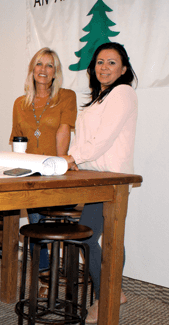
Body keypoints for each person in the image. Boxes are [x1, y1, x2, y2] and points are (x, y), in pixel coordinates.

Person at [62, 42, 137, 324]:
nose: (104, 67)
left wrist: (72, 157)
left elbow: (103, 139)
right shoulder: (99, 98)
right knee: (109, 235)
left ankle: (107, 294)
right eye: (100, 62)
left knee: (91, 236)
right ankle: (114, 290)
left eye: (112, 62)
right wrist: (75, 162)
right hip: (94, 177)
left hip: (111, 179)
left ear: (124, 69)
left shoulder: (122, 93)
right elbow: (86, 141)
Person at [10, 47, 77, 293]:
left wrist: (59, 165)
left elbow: (63, 130)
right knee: (37, 224)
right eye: (39, 64)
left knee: (51, 225)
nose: (43, 70)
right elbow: (18, 141)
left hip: (55, 171)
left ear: (55, 72)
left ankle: (53, 276)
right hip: (30, 173)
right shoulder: (20, 102)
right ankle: (44, 277)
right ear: (32, 69)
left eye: (50, 66)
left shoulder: (67, 97)